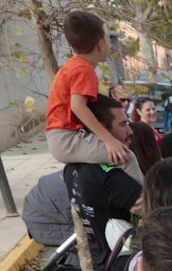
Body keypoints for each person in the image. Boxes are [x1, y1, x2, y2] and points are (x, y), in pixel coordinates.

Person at [64, 96, 142, 269]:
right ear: (101, 130)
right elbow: (158, 213)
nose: (130, 131)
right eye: (123, 125)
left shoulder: (71, 169)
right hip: (124, 270)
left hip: (101, 267)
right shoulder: (110, 178)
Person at [45, 11, 128, 169]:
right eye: (108, 40)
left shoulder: (74, 66)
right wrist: (108, 140)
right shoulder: (84, 70)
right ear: (101, 45)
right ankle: (144, 194)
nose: (110, 45)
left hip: (61, 138)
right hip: (67, 138)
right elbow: (77, 106)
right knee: (125, 156)